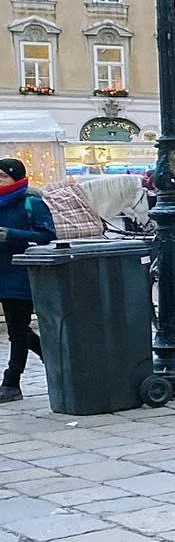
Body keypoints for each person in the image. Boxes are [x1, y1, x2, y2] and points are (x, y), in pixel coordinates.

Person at [0, 158, 56, 401]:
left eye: (2, 176)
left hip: (21, 275)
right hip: (2, 274)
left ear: (16, 177)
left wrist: (11, 235)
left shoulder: (31, 202)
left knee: (18, 330)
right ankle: (54, 356)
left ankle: (12, 383)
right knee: (19, 330)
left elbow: (47, 235)